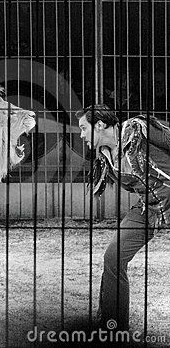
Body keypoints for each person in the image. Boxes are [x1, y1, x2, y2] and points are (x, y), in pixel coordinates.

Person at [75, 104, 170, 331]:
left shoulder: (138, 130)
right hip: (150, 206)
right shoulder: (105, 158)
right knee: (113, 257)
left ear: (99, 125)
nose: (81, 135)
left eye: (83, 128)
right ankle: (112, 325)